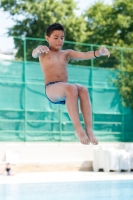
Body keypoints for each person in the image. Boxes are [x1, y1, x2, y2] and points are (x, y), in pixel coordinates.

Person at [32, 23, 110, 145]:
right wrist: (37, 49)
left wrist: (99, 52)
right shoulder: (44, 52)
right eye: (55, 37)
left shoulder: (66, 53)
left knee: (83, 89)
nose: (59, 41)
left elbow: (84, 55)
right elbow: (34, 54)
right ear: (47, 38)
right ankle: (78, 129)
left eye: (62, 38)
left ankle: (89, 129)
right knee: (71, 88)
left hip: (66, 89)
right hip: (51, 88)